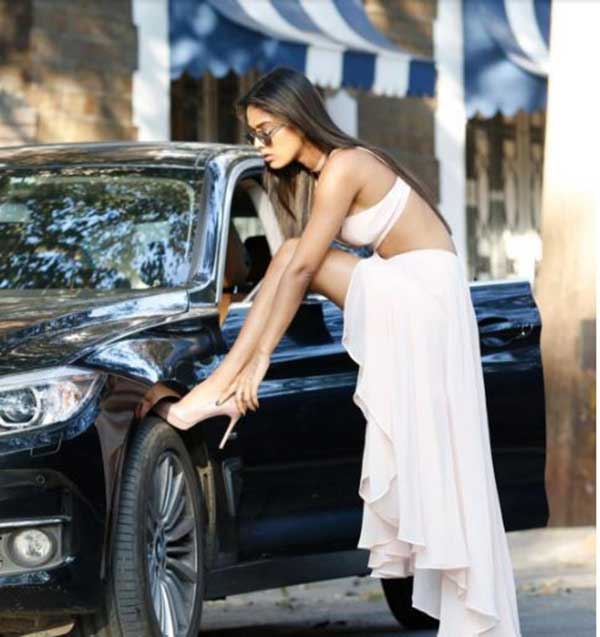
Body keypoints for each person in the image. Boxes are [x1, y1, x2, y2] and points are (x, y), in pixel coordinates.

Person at [156, 66, 523, 636]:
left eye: (267, 132)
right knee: (289, 255)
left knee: (293, 256)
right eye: (253, 135)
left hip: (423, 293)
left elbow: (304, 265)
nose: (260, 145)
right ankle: (225, 385)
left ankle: (220, 386)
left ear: (299, 119)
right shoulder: (322, 173)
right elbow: (296, 263)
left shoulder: (346, 165)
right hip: (415, 289)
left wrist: (259, 360)